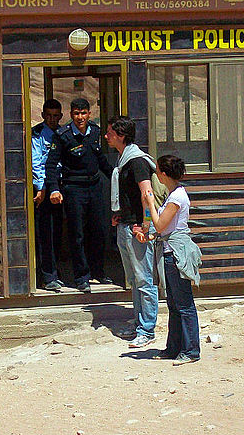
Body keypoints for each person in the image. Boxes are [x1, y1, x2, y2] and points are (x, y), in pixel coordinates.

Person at [45, 98, 113, 293]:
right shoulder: (63, 135)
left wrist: (116, 177)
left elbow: (100, 159)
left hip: (95, 186)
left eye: (83, 113)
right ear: (71, 115)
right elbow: (51, 164)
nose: (80, 117)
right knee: (77, 234)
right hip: (74, 188)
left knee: (98, 231)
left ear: (89, 114)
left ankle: (97, 272)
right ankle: (81, 277)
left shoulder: (95, 131)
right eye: (76, 113)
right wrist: (53, 189)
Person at [141, 155, 202, 365]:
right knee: (174, 304)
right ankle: (174, 347)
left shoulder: (177, 198)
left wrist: (149, 201)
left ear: (164, 174)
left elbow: (160, 225)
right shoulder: (172, 195)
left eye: (158, 170)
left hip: (175, 254)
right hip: (168, 249)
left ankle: (191, 350)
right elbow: (160, 226)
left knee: (184, 304)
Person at [105, 116, 158, 348]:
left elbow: (148, 197)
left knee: (144, 279)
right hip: (125, 225)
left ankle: (147, 329)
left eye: (110, 133)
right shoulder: (122, 159)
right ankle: (139, 323)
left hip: (137, 230)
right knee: (134, 280)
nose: (106, 136)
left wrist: (145, 226)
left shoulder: (136, 161)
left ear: (121, 135)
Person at [31, 98, 64, 292]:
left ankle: (55, 270)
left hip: (60, 185)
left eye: (56, 116)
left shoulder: (62, 134)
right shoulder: (37, 134)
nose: (52, 119)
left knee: (57, 232)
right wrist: (43, 188)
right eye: (48, 116)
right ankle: (46, 275)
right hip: (44, 188)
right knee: (45, 233)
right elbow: (37, 164)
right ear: (43, 115)